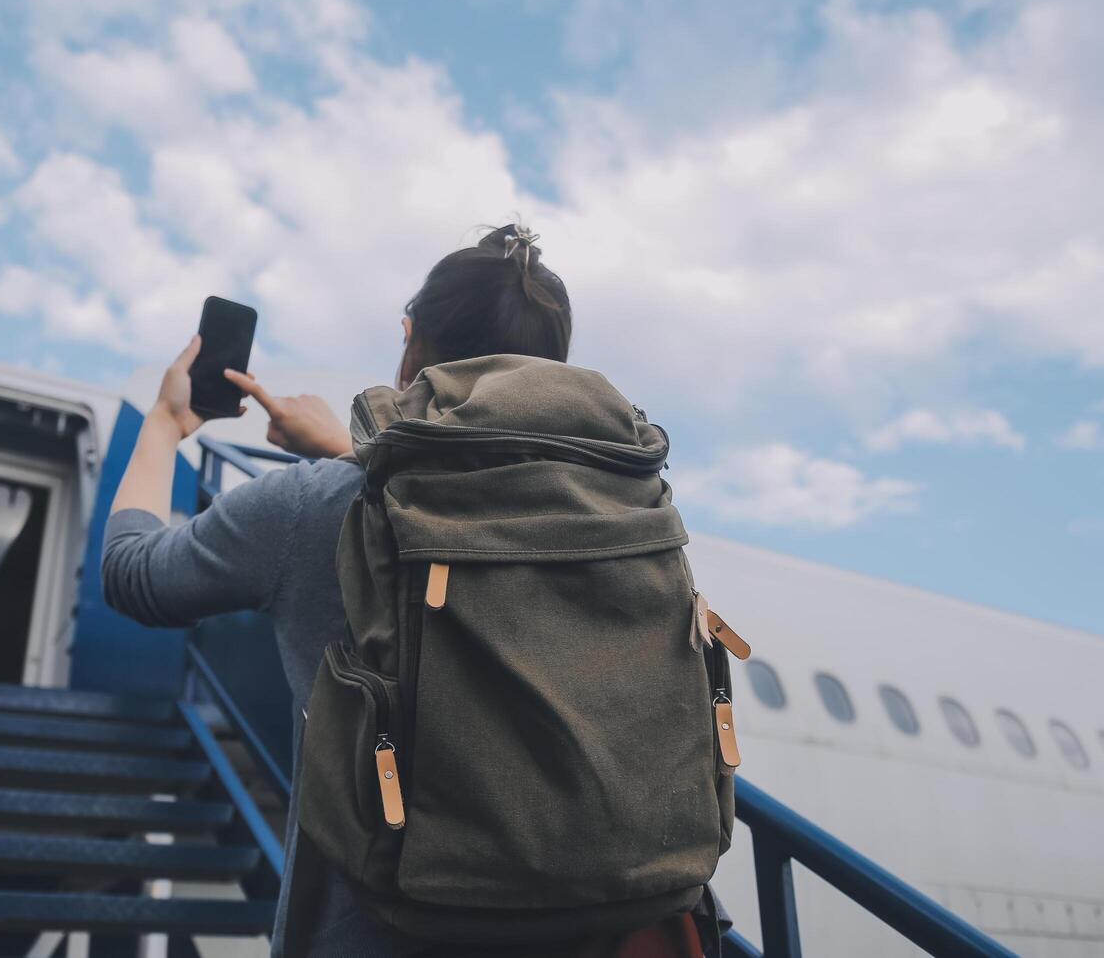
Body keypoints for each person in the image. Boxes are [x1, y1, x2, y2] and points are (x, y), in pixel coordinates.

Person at [102, 225, 708, 957]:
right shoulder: (634, 508)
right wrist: (344, 452)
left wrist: (167, 424)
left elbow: (133, 574)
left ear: (412, 345)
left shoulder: (315, 507)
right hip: (602, 926)